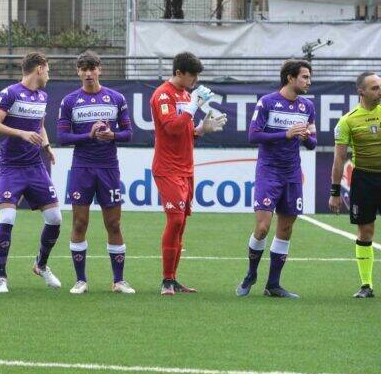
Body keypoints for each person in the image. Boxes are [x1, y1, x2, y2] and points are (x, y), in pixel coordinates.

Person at [55, 51, 135, 294]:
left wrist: (113, 135)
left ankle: (118, 281)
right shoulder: (69, 101)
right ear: (78, 72)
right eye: (83, 68)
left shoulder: (116, 98)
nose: (88, 73)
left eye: (92, 68)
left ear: (100, 69)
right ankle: (81, 280)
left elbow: (129, 133)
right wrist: (87, 135)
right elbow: (61, 137)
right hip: (82, 168)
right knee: (80, 223)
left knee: (114, 223)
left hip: (108, 168)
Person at [237, 60, 317, 298]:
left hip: (292, 173)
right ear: (290, 78)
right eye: (304, 77)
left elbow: (313, 142)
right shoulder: (268, 102)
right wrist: (286, 133)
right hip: (268, 171)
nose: (308, 81)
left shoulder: (307, 106)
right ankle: (251, 273)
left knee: (286, 228)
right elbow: (253, 135)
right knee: (262, 228)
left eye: (309, 77)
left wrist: (305, 137)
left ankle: (273, 284)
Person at [150, 51, 227, 296]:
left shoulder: (184, 94)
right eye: (192, 74)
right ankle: (165, 280)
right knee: (175, 220)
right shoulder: (163, 94)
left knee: (181, 224)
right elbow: (171, 128)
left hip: (186, 167)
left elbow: (183, 130)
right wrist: (194, 106)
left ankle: (173, 279)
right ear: (179, 73)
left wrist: (201, 130)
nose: (195, 79)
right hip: (167, 167)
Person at [0, 52, 61, 294]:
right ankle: (1, 277)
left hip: (35, 167)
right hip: (11, 167)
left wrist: (47, 147)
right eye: (48, 70)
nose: (49, 76)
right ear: (39, 69)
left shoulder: (43, 95)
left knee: (55, 219)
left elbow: (39, 125)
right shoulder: (10, 93)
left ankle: (40, 265)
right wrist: (21, 133)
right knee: (7, 219)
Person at [329, 71, 381, 298]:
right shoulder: (348, 120)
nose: (379, 91)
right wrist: (335, 192)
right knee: (365, 230)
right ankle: (366, 284)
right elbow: (339, 159)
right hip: (364, 179)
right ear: (361, 92)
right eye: (375, 88)